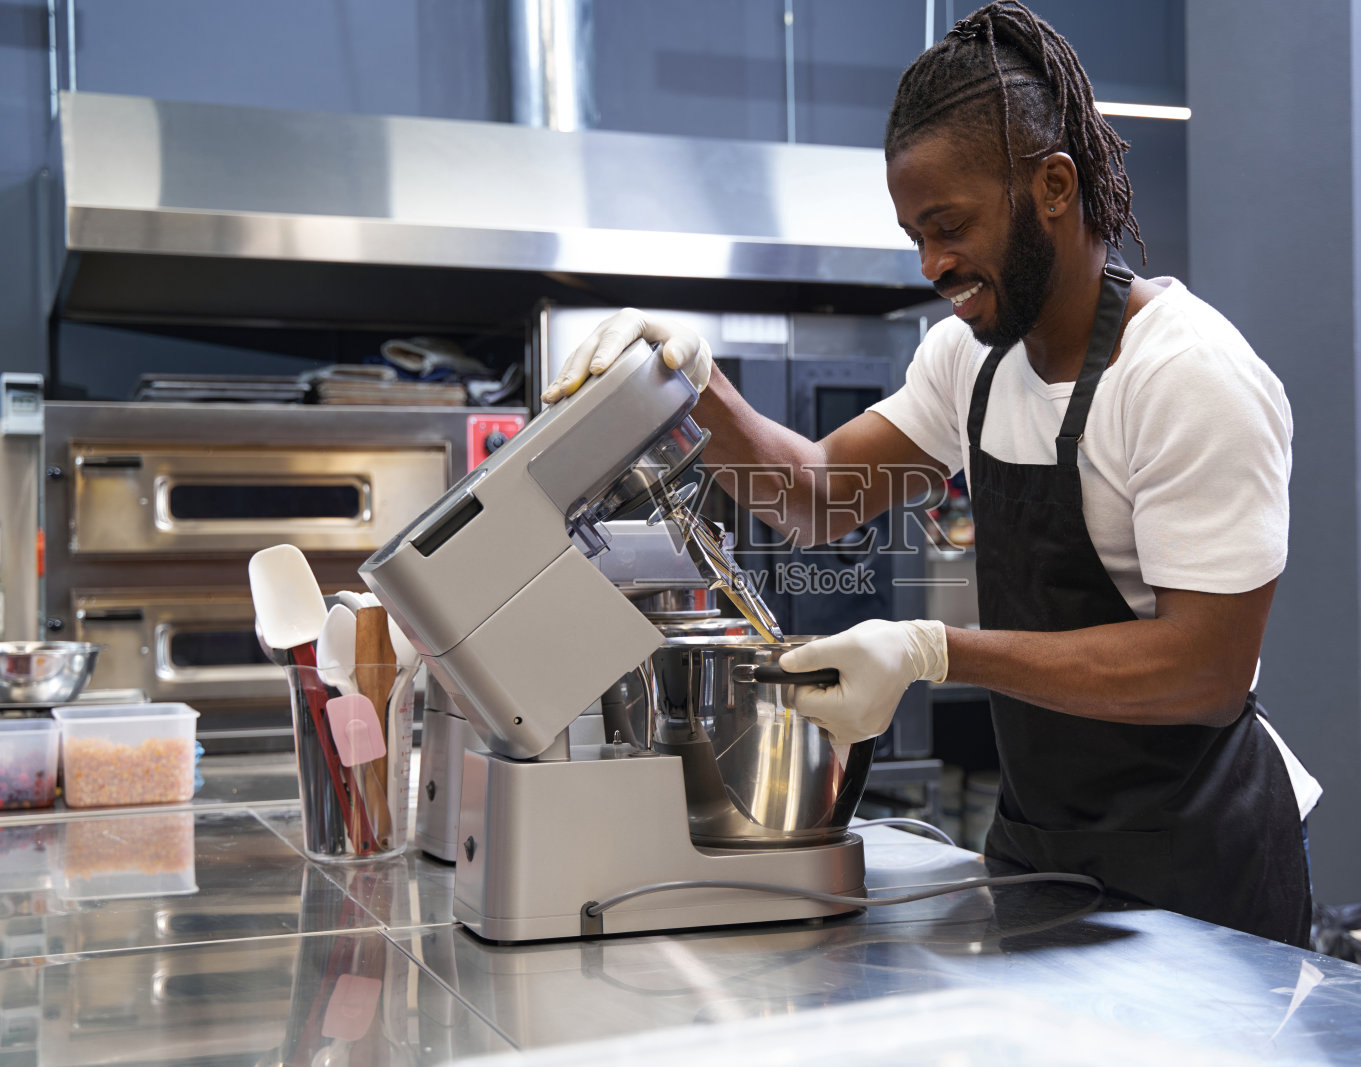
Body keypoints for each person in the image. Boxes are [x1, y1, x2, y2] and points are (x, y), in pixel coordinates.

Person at [542, 1, 1318, 948]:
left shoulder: (1184, 376)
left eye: (949, 225)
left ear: (1055, 186)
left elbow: (1203, 669)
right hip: (1045, 852)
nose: (932, 262)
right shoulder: (974, 360)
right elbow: (817, 494)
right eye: (915, 232)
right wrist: (692, 385)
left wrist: (932, 649)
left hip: (1205, 876)